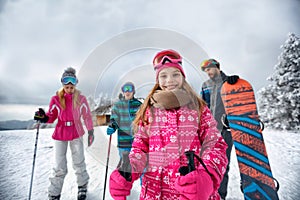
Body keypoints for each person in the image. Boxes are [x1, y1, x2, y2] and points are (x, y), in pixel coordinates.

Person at [108, 49, 228, 200]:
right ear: (157, 80)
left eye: (175, 74)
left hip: (192, 191)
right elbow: (140, 148)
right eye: (163, 76)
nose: (169, 80)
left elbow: (215, 144)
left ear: (183, 77)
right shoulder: (149, 110)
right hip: (154, 192)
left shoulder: (197, 108)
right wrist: (128, 171)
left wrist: (207, 176)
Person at [33, 67, 94, 200]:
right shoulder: (56, 99)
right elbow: (51, 116)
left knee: (79, 162)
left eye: (72, 83)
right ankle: (54, 193)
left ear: (76, 83)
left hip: (76, 132)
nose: (69, 86)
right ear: (63, 83)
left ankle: (82, 186)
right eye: (66, 83)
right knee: (59, 165)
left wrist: (90, 131)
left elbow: (87, 116)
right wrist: (43, 118)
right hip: (61, 133)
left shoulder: (81, 99)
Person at [200, 58, 239, 200]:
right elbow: (202, 107)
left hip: (227, 130)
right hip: (210, 131)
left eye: (209, 69)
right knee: (208, 164)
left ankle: (220, 196)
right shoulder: (205, 85)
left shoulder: (229, 81)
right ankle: (209, 194)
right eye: (206, 70)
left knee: (223, 164)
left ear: (217, 67)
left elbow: (239, 101)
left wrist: (236, 84)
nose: (208, 72)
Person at [106, 82, 142, 160]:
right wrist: (112, 126)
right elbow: (114, 119)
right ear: (123, 91)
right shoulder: (118, 105)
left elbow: (143, 121)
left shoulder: (139, 105)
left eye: (130, 89)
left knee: (137, 165)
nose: (127, 91)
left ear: (133, 91)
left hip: (137, 143)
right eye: (125, 89)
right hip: (123, 143)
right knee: (125, 167)